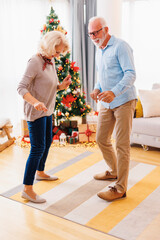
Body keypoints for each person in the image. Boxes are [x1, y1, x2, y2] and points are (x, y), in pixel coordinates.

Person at [17, 31, 71, 203]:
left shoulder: (51, 61)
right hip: (35, 112)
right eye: (57, 51)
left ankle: (40, 172)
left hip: (47, 110)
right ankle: (27, 188)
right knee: (37, 148)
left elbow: (49, 86)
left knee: (47, 141)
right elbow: (21, 88)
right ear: (49, 47)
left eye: (61, 51)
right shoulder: (35, 61)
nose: (59, 55)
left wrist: (61, 86)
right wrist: (34, 103)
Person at [88, 16, 137, 201]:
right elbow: (103, 76)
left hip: (124, 100)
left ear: (106, 29)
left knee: (122, 145)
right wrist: (96, 88)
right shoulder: (99, 50)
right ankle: (114, 170)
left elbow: (131, 74)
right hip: (106, 102)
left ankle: (120, 188)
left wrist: (114, 92)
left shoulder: (121, 46)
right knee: (101, 139)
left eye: (96, 32)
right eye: (90, 33)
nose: (93, 36)